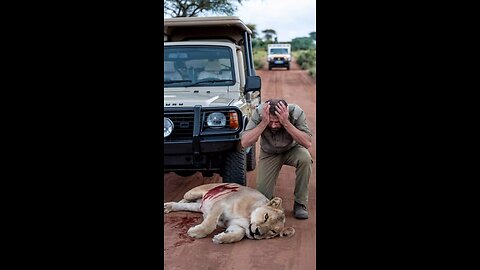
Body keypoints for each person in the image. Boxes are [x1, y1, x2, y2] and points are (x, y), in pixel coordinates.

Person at [240, 99, 313, 219]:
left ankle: (300, 203)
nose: (273, 125)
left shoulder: (296, 113)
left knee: (305, 158)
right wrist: (264, 123)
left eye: (277, 122)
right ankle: (272, 201)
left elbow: (307, 143)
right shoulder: (259, 113)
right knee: (262, 199)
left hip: (292, 150)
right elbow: (245, 142)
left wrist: (286, 123)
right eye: (271, 122)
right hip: (270, 153)